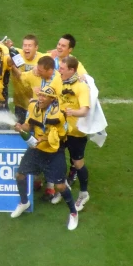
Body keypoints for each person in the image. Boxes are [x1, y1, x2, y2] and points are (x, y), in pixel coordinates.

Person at [11, 86, 78, 230]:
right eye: (40, 95)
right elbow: (28, 125)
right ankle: (24, 202)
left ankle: (73, 213)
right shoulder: (34, 107)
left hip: (54, 152)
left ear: (52, 99)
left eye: (44, 96)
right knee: (20, 175)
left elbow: (61, 136)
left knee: (60, 186)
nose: (40, 98)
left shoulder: (59, 115)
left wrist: (44, 139)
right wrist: (20, 127)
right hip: (37, 150)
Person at [58, 56, 91, 211]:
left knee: (77, 163)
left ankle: (83, 193)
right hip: (60, 129)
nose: (60, 70)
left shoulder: (81, 87)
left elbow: (85, 110)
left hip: (76, 132)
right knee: (55, 155)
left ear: (72, 70)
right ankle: (62, 186)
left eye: (62, 68)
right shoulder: (59, 81)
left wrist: (73, 112)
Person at [9, 34, 44, 123]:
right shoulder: (17, 54)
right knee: (20, 131)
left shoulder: (42, 59)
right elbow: (3, 47)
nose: (26, 48)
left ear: (36, 47)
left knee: (36, 132)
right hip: (20, 103)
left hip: (36, 103)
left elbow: (58, 59)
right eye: (25, 45)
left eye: (30, 46)